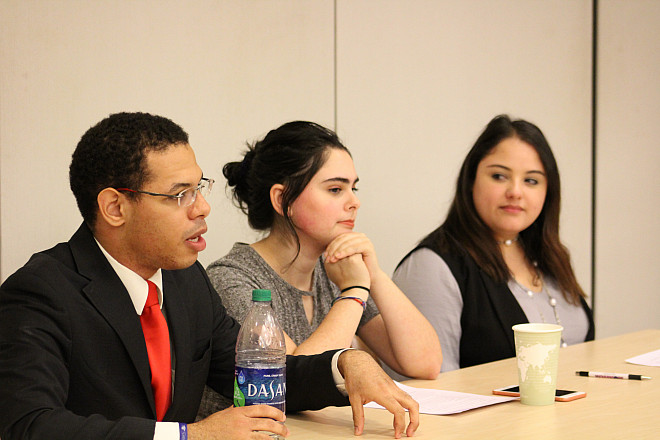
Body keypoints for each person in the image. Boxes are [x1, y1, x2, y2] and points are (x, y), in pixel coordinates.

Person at [0, 112, 420, 440]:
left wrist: (343, 364)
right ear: (115, 208)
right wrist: (190, 435)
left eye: (200, 188)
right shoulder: (41, 293)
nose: (203, 208)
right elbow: (30, 427)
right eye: (180, 195)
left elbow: (254, 375)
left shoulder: (185, 281)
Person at [200, 120, 440, 411]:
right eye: (336, 189)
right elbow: (294, 384)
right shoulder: (232, 278)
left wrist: (373, 274)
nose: (355, 202)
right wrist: (353, 291)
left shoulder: (335, 270)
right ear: (282, 198)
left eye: (354, 188)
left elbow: (424, 363)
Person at [393, 114, 595, 372]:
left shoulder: (551, 257)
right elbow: (432, 392)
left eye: (531, 180)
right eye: (499, 176)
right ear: (470, 180)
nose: (515, 191)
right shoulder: (432, 266)